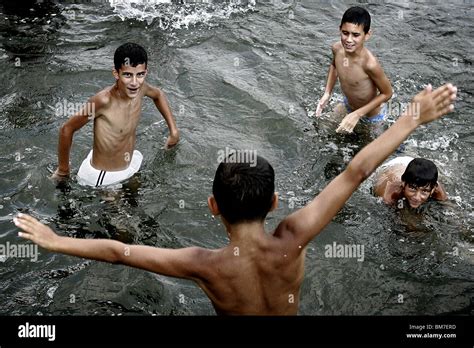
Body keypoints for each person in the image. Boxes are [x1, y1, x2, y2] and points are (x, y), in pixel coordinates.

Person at [15, 84, 456, 315]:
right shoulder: (293, 237)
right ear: (275, 202)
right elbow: (355, 170)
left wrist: (56, 240)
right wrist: (410, 119)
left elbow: (118, 251)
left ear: (213, 207)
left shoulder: (204, 264)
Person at [52, 43, 180, 187]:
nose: (134, 82)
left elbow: (158, 94)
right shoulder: (103, 101)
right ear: (116, 73)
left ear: (145, 72)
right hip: (104, 176)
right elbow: (66, 129)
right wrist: (63, 170)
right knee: (119, 209)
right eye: (127, 75)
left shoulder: (141, 88)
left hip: (128, 164)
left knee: (136, 202)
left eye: (140, 75)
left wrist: (173, 131)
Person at [316, 6, 393, 134]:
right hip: (348, 105)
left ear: (367, 35)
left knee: (370, 151)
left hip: (371, 117)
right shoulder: (337, 48)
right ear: (339, 29)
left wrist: (358, 114)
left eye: (356, 35)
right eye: (345, 33)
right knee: (322, 129)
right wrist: (327, 93)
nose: (349, 40)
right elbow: (334, 65)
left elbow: (387, 93)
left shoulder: (369, 64)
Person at [373, 156, 447, 209]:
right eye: (412, 188)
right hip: (391, 167)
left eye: (424, 191)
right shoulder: (391, 192)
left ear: (433, 189)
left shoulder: (436, 189)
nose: (417, 197)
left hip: (413, 166)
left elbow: (449, 209)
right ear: (403, 183)